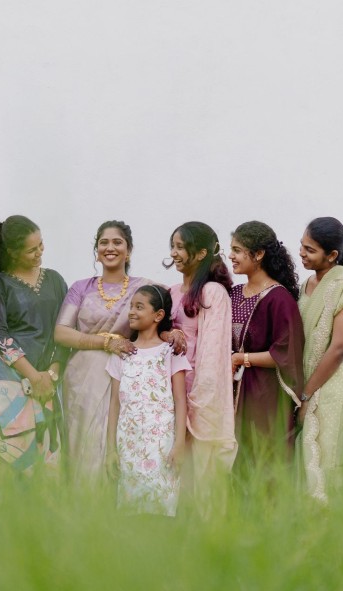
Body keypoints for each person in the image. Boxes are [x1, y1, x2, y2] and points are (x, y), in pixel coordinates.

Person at [55, 220, 184, 483]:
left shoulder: (144, 287)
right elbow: (61, 332)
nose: (110, 248)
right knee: (86, 447)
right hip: (83, 378)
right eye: (103, 242)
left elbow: (161, 315)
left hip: (127, 373)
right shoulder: (81, 287)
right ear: (97, 250)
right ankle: (84, 504)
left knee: (124, 441)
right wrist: (104, 343)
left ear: (129, 250)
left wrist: (171, 333)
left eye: (117, 242)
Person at [0, 215, 69, 473]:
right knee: (11, 456)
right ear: (12, 252)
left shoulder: (55, 280)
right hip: (11, 378)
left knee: (48, 454)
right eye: (32, 250)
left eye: (41, 244)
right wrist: (33, 376)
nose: (39, 252)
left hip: (50, 379)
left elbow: (65, 329)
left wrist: (52, 374)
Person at [166, 221, 238, 510]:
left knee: (199, 485)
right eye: (172, 246)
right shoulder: (171, 292)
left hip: (197, 398)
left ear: (201, 253)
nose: (174, 253)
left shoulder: (213, 293)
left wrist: (194, 407)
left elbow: (212, 357)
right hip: (169, 395)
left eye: (181, 247)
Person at [295, 217, 343, 501]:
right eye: (302, 245)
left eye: (310, 249)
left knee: (329, 460)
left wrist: (307, 393)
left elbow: (340, 346)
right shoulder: (306, 284)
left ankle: (334, 525)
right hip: (308, 384)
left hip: (334, 385)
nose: (302, 253)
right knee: (307, 463)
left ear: (332, 255)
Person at [228, 221, 305, 480]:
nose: (231, 256)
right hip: (232, 392)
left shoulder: (279, 299)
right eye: (231, 249)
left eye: (237, 250)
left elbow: (286, 352)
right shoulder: (233, 293)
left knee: (264, 466)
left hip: (264, 396)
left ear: (259, 254)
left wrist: (241, 358)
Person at [105, 285, 190, 517]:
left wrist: (179, 445)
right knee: (130, 513)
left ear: (158, 315)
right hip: (128, 444)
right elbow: (114, 404)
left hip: (162, 445)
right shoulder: (122, 352)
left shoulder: (170, 352)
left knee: (161, 509)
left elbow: (181, 401)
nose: (132, 312)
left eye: (139, 307)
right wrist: (111, 450)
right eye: (131, 306)